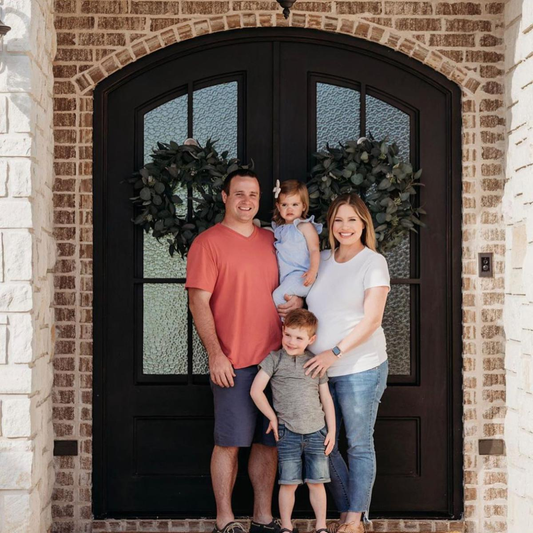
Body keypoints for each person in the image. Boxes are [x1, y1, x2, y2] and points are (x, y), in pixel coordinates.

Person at [186, 169, 301, 533]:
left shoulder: (273, 239)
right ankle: (225, 519)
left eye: (252, 194)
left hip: (276, 362)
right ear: (224, 197)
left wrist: (297, 299)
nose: (246, 201)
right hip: (233, 362)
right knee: (230, 443)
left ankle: (263, 518)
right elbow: (198, 303)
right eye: (238, 194)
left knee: (268, 444)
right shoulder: (208, 244)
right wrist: (215, 354)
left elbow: (295, 278)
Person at [303, 193, 390, 533]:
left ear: (364, 223)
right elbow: (310, 302)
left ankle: (355, 520)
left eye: (352, 219)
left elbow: (371, 321)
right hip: (320, 372)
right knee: (323, 442)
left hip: (360, 368)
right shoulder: (322, 259)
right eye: (338, 220)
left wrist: (334, 352)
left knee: (358, 442)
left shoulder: (373, 262)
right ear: (330, 225)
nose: (345, 226)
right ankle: (346, 513)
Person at [250, 309, 335, 533]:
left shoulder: (316, 362)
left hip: (317, 431)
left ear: (311, 340)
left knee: (317, 482)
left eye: (299, 338)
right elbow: (256, 391)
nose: (291, 341)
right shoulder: (274, 359)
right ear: (283, 331)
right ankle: (286, 527)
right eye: (288, 335)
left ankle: (321, 527)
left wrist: (332, 431)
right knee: (288, 483)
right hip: (287, 432)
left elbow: (326, 398)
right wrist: (272, 417)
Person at [271, 180, 322, 308]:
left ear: (303, 206)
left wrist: (313, 271)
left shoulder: (304, 226)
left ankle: (284, 325)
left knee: (278, 296)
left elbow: (314, 249)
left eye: (295, 204)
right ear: (278, 207)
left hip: (302, 276)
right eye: (284, 205)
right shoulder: (280, 228)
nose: (289, 209)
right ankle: (290, 324)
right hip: (287, 277)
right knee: (284, 298)